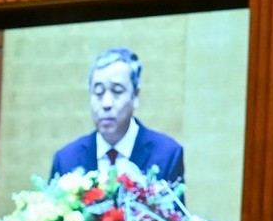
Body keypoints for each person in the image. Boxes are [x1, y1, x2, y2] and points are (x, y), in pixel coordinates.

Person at [50, 47, 186, 186]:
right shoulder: (66, 159)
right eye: (98, 92)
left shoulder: (167, 154)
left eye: (117, 91)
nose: (106, 103)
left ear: (136, 95)